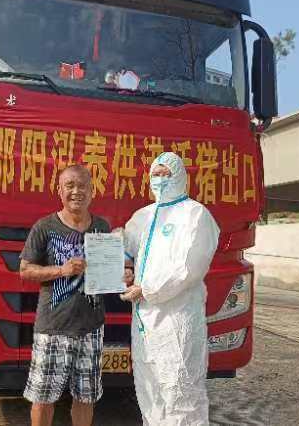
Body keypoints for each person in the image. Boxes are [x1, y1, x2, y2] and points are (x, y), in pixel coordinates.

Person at [120, 152, 220, 425]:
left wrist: (146, 289)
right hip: (144, 323)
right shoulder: (142, 216)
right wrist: (120, 262)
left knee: (181, 392)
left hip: (177, 320)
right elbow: (127, 250)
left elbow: (189, 268)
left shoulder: (195, 215)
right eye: (156, 174)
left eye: (167, 174)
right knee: (149, 392)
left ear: (181, 176)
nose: (161, 180)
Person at [19, 165, 110, 426]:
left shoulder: (102, 227)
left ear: (92, 191)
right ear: (59, 191)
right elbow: (25, 270)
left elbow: (109, 274)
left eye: (82, 186)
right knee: (43, 397)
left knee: (86, 397)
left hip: (91, 329)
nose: (76, 191)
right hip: (53, 328)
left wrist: (121, 275)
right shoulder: (44, 227)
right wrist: (62, 270)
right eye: (70, 186)